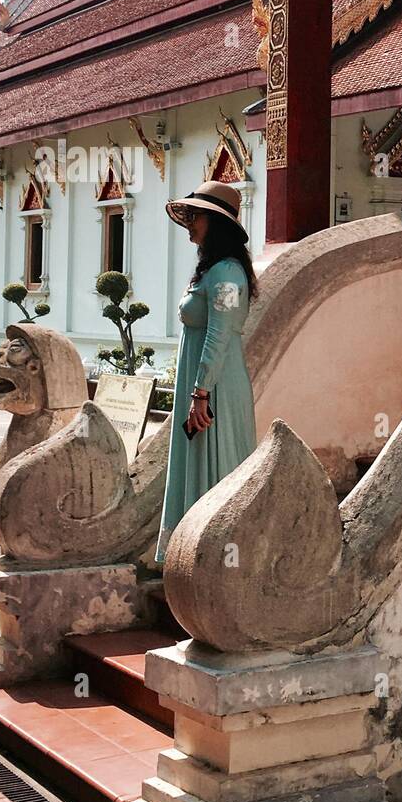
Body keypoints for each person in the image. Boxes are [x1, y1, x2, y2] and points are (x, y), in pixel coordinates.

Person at [155, 180, 257, 565]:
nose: (190, 224)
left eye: (196, 216)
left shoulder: (228, 274)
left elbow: (219, 335)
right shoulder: (212, 270)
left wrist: (201, 393)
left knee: (219, 465)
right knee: (197, 459)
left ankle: (219, 558)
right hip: (201, 385)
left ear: (217, 223)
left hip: (216, 388)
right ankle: (192, 553)